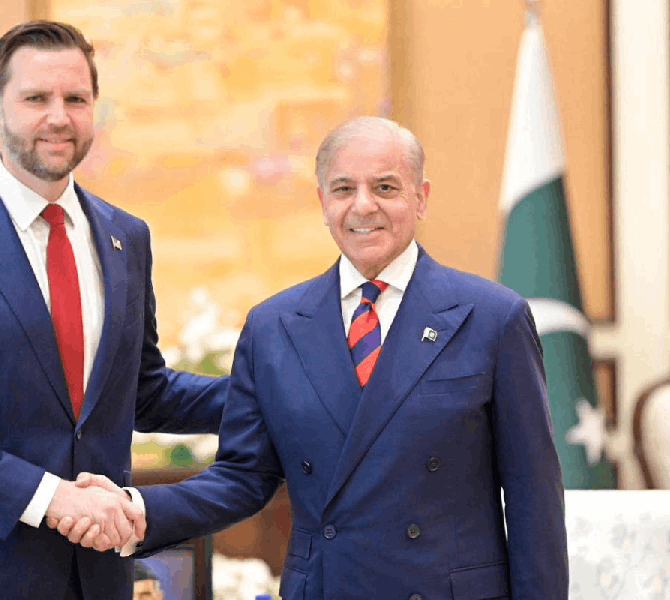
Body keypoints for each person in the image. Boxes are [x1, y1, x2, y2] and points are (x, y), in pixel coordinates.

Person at [64, 116, 569, 599]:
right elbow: (244, 476)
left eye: (386, 187)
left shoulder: (493, 318)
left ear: (421, 198)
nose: (363, 206)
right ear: (323, 201)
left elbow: (534, 500)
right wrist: (136, 507)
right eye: (344, 189)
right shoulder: (273, 326)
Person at [0, 20, 226, 600]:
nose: (59, 117)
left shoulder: (127, 237)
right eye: (36, 98)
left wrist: (276, 390)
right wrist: (50, 498)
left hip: (99, 576)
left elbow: (144, 392)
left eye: (76, 99)